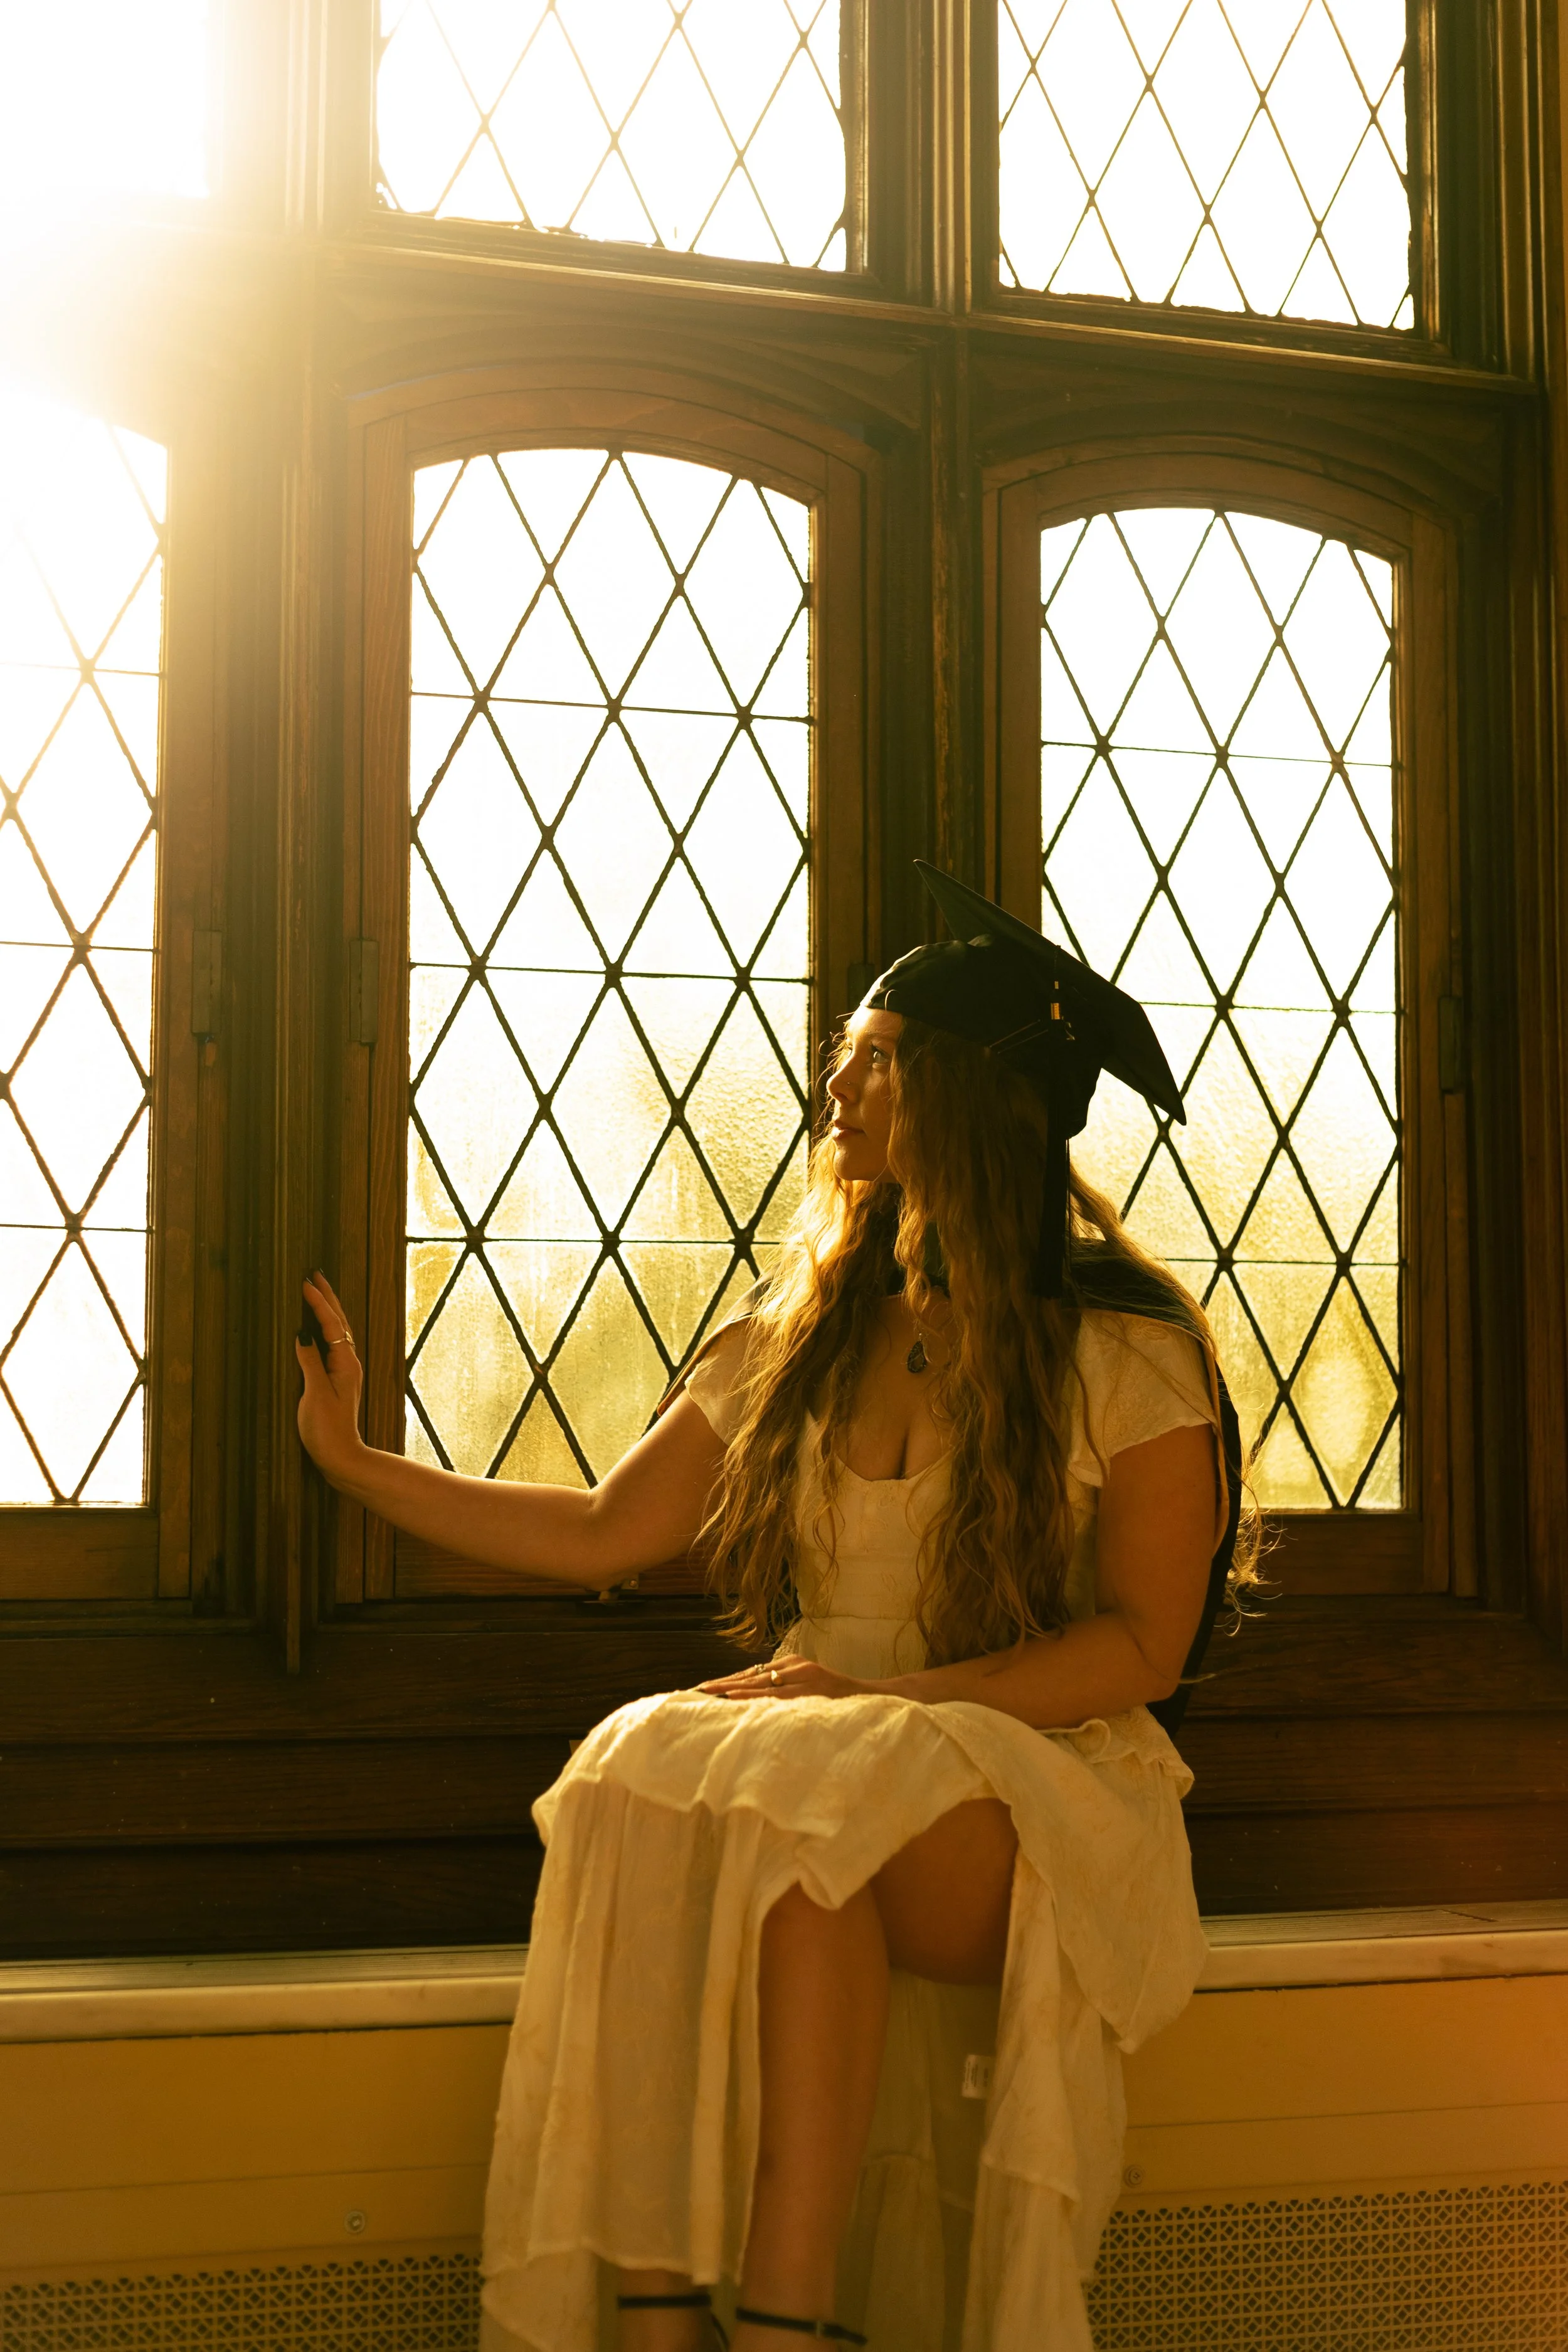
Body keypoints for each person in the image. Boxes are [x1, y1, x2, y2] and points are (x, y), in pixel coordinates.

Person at [296, 865, 1245, 2352]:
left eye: (878, 1062)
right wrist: (355, 1465)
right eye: (843, 1060)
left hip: (1043, 1789)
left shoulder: (1126, 1354)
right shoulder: (795, 1334)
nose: (836, 1090)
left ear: (971, 1097)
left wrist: (880, 1706)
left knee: (811, 1788)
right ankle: (684, 2311)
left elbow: (1142, 1648)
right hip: (832, 1766)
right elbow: (603, 1531)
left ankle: (773, 2324)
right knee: (634, 1761)